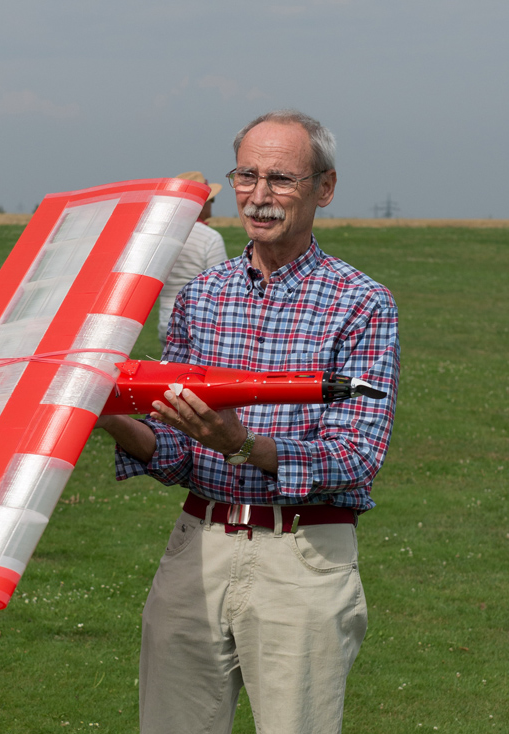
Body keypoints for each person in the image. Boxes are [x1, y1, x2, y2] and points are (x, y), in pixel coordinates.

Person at [97, 110, 400, 733]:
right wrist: (105, 410)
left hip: (302, 556)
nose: (259, 195)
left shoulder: (363, 303)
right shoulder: (201, 296)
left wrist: (243, 446)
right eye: (246, 175)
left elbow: (355, 456)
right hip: (197, 548)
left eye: (281, 179)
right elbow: (177, 449)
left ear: (324, 188)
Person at [157, 171, 228, 342]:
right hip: (198, 320)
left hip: (166, 319)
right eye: (211, 200)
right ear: (201, 203)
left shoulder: (161, 236)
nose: (212, 204)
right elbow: (222, 289)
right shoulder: (210, 238)